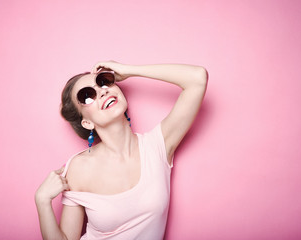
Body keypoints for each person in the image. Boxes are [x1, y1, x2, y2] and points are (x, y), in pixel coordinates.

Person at [35, 61, 208, 240]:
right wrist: (42, 201)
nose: (103, 91)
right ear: (86, 123)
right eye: (87, 96)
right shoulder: (79, 167)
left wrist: (130, 71)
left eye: (104, 81)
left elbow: (197, 78)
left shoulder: (157, 146)